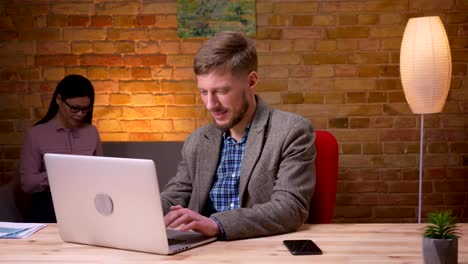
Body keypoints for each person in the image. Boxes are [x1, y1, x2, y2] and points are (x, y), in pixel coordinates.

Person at [161, 31, 316, 241]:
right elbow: (175, 195)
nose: (210, 105)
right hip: (200, 251)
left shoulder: (292, 132)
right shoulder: (197, 141)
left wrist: (216, 224)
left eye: (222, 91)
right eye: (204, 92)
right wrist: (140, 212)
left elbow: (290, 209)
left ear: (251, 81)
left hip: (259, 249)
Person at [19, 74, 102, 223]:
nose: (80, 114)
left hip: (85, 204)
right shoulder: (36, 134)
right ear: (58, 99)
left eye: (85, 109)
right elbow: (27, 183)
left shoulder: (91, 132)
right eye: (75, 108)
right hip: (48, 205)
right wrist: (61, 173)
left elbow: (101, 174)